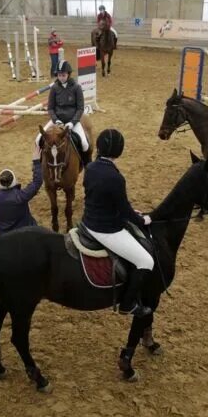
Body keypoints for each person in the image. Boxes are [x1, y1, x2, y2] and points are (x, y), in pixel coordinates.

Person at [81, 129, 154, 318]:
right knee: (146, 261)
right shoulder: (115, 178)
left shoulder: (90, 167)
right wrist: (142, 219)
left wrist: (128, 211)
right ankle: (128, 305)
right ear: (119, 151)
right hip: (105, 230)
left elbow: (100, 197)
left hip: (87, 221)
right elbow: (124, 210)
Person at [35, 60, 91, 165]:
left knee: (85, 144)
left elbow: (80, 108)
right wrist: (56, 120)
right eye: (59, 75)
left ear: (68, 74)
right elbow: (50, 108)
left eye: (63, 75)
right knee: (38, 139)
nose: (61, 78)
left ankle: (86, 165)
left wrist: (72, 122)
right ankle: (39, 164)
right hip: (57, 120)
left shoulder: (77, 88)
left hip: (72, 121)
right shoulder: (54, 88)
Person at [0, 144, 43, 236]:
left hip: (3, 236)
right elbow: (37, 182)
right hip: (24, 234)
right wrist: (36, 162)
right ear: (14, 181)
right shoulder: (20, 196)